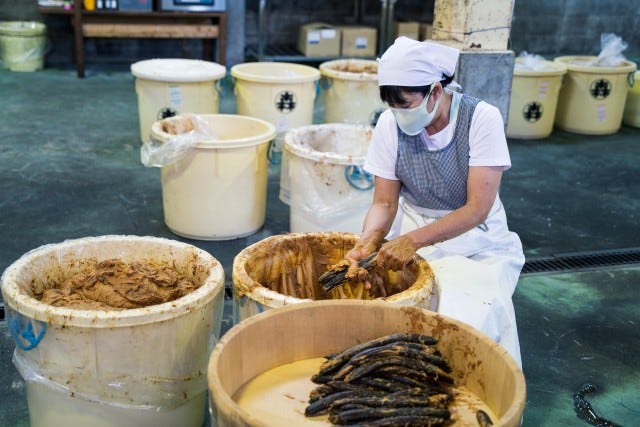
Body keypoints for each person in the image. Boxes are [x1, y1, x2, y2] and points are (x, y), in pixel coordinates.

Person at [345, 37, 525, 366]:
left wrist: (410, 242)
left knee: (469, 321)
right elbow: (384, 204)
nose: (399, 115)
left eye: (407, 104)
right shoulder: (390, 124)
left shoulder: (481, 119)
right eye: (392, 106)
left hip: (476, 238)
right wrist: (369, 240)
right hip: (413, 228)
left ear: (436, 92)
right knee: (400, 320)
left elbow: (476, 209)